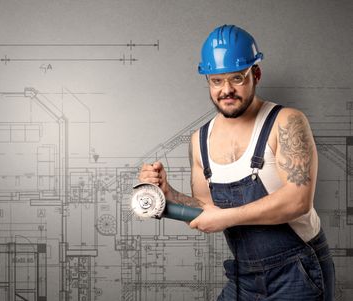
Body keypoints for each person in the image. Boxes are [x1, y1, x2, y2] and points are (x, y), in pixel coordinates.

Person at [138, 24, 335, 300]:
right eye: (216, 81)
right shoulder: (200, 140)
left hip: (298, 269)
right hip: (244, 274)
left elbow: (297, 201)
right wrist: (168, 194)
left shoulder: (286, 122)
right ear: (207, 81)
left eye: (237, 79)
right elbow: (207, 210)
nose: (226, 90)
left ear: (256, 74)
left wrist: (224, 218)